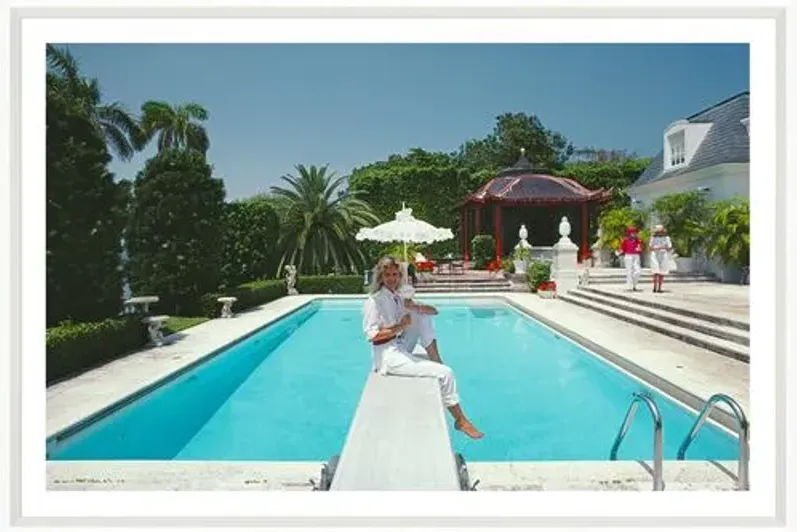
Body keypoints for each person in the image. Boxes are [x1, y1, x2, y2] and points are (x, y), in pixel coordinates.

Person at [362, 256, 484, 439]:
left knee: (422, 316)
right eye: (387, 275)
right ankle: (460, 420)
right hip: (388, 356)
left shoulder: (398, 297)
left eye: (395, 274)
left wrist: (415, 306)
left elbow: (434, 311)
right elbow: (372, 336)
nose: (392, 279)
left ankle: (435, 358)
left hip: (400, 344)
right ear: (380, 276)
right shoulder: (375, 301)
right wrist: (399, 327)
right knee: (446, 373)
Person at [649, 224, 673, 293]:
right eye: (659, 231)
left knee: (662, 272)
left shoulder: (667, 238)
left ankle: (659, 288)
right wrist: (657, 248)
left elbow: (669, 247)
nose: (660, 232)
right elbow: (650, 247)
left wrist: (664, 248)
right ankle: (654, 287)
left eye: (661, 231)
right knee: (655, 271)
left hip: (663, 254)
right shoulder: (653, 238)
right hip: (655, 254)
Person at [619, 226, 643, 291]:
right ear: (629, 233)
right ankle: (629, 286)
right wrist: (620, 252)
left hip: (636, 255)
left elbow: (640, 248)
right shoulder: (625, 240)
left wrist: (640, 249)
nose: (634, 233)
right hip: (628, 255)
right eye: (633, 232)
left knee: (638, 271)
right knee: (629, 271)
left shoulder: (638, 240)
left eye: (635, 232)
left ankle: (634, 284)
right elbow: (622, 249)